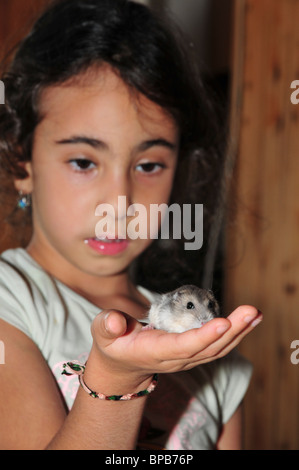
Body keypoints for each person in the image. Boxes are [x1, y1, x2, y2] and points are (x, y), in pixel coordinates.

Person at [0, 0, 262, 450]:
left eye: (148, 164)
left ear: (179, 170)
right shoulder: (12, 303)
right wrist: (117, 379)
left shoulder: (210, 349)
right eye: (84, 161)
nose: (119, 203)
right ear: (22, 160)